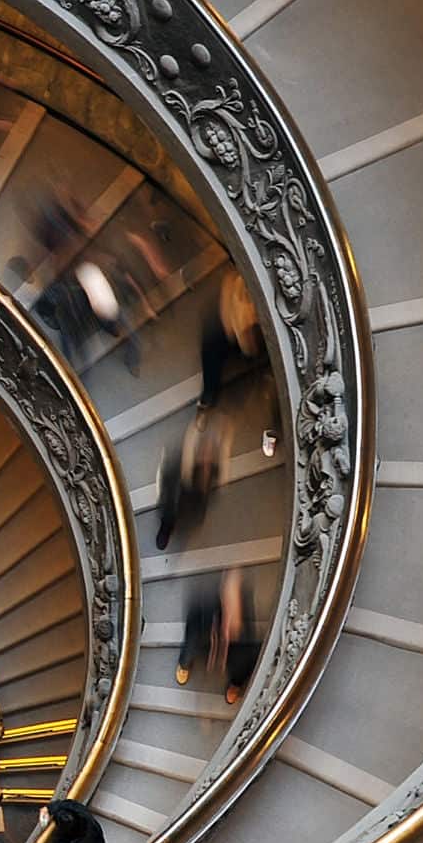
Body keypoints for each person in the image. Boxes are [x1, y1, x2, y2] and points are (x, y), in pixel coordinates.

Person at [178, 566, 260, 705]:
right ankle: (185, 662)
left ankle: (236, 681)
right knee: (195, 635)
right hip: (215, 609)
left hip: (233, 618)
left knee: (243, 653)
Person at [154, 409, 226, 551]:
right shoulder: (189, 467)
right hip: (181, 497)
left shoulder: (207, 472)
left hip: (186, 498)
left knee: (174, 513)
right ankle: (168, 527)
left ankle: (170, 527)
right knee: (171, 513)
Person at [200, 272, 261, 409]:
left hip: (230, 316)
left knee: (212, 352)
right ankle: (208, 396)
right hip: (231, 317)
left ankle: (208, 397)